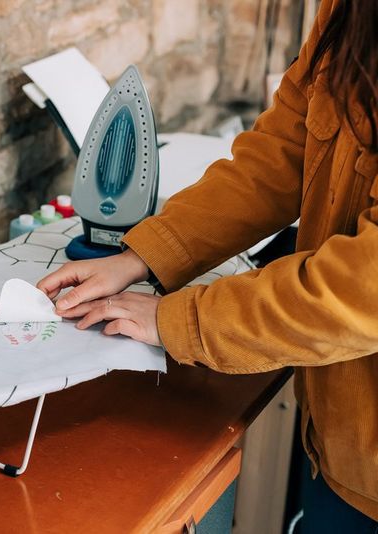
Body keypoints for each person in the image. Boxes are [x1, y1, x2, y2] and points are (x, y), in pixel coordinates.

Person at [37, 0, 378, 530]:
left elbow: (360, 290)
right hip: (339, 445)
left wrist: (173, 320)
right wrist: (144, 255)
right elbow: (282, 151)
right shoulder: (346, 14)